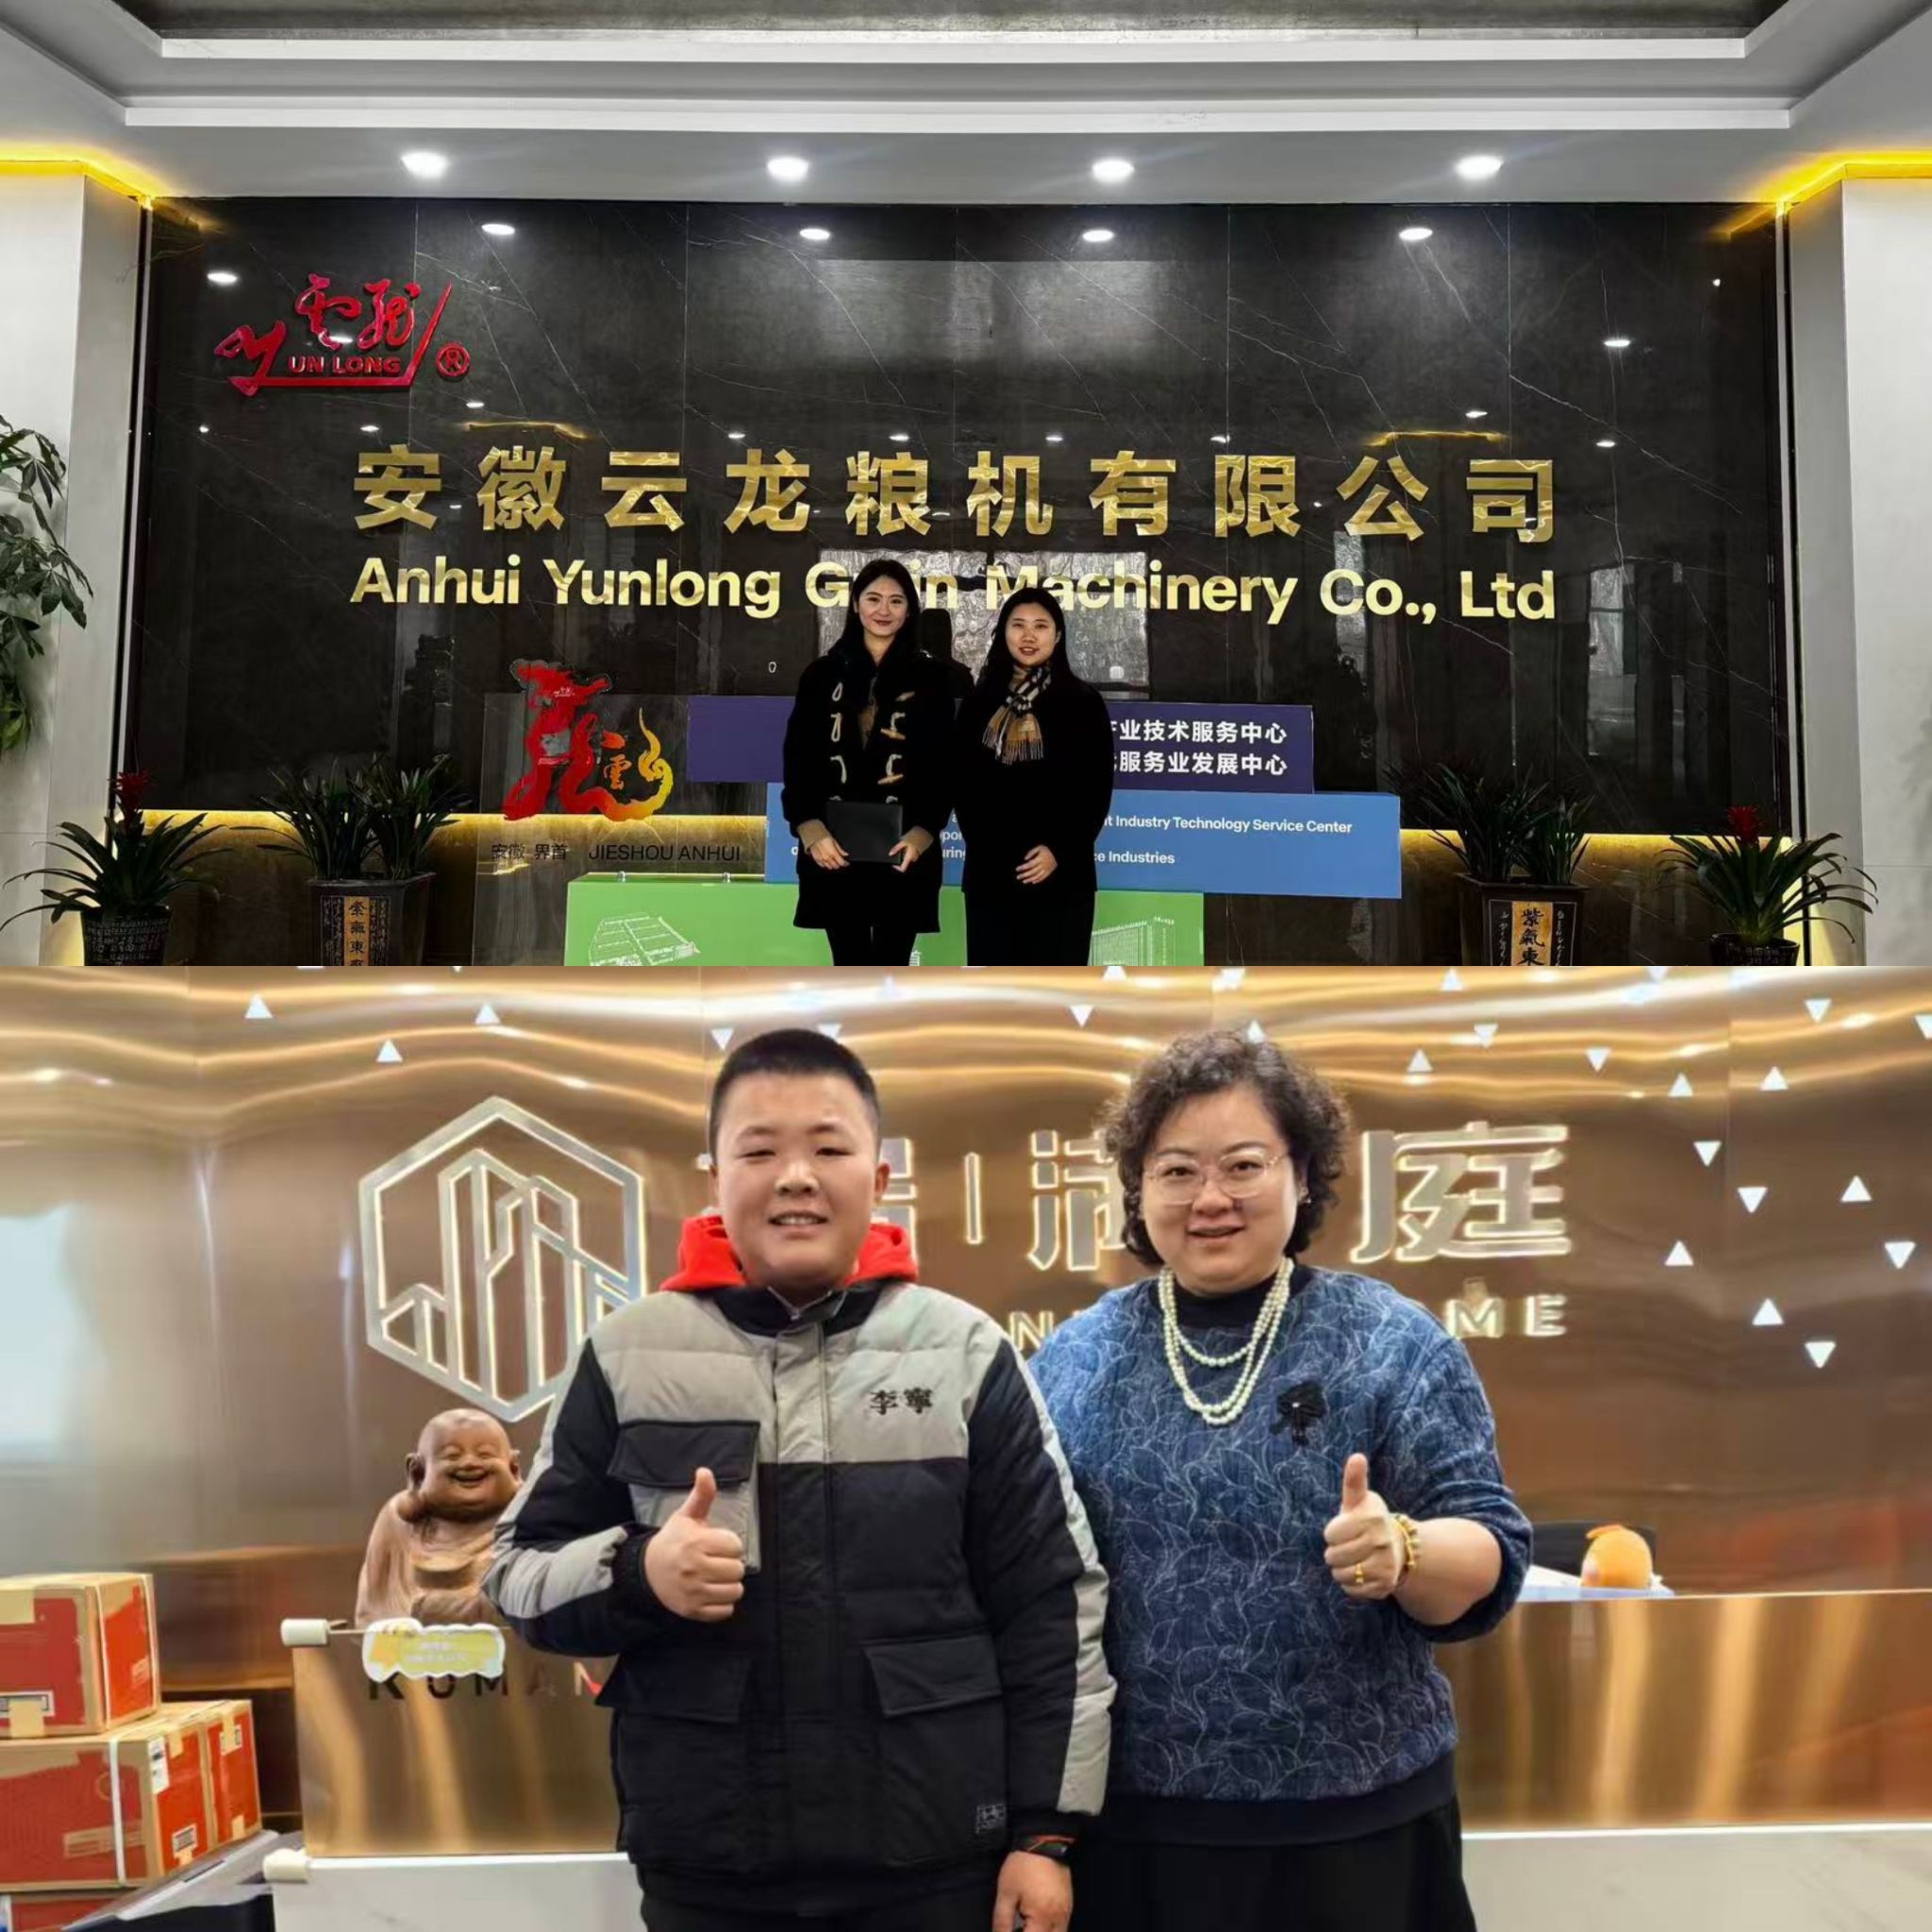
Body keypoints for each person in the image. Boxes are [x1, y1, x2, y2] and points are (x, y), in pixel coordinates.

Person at [486, 1028, 1113, 1932]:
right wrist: (639, 1573)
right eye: (759, 1152)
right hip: (710, 1867)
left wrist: (1045, 1834)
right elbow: (515, 1573)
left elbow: (1053, 1603)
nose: (795, 1178)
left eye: (827, 1148)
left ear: (879, 1178)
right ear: (713, 1180)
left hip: (935, 1863)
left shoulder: (964, 1353)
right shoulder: (626, 1355)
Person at [1030, 1029, 1530, 1932]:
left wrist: (1404, 1550)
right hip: (1136, 1832)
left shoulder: (1390, 1342)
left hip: (1357, 1829)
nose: (1209, 1198)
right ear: (1138, 1191)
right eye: (1176, 1171)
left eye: (1243, 1165)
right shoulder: (1074, 1359)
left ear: (1302, 1176)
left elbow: (1490, 1550)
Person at [782, 560, 953, 966]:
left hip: (903, 850)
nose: (884, 610)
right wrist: (810, 830)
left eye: (896, 601)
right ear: (856, 604)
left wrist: (923, 833)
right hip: (834, 848)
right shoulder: (821, 675)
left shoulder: (931, 678)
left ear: (909, 611)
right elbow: (799, 759)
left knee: (893, 968)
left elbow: (944, 766)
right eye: (874, 599)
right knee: (849, 968)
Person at [952, 589, 1114, 967]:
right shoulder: (979, 703)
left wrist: (1059, 850)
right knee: (998, 991)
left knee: (1056, 992)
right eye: (1018, 626)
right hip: (991, 873)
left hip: (1063, 873)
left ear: (1057, 636)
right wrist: (993, 851)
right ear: (1003, 633)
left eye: (1040, 626)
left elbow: (1094, 791)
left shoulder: (1083, 703)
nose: (1029, 636)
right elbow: (963, 786)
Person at [355, 1407, 522, 1624]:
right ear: (417, 1472)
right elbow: (375, 1612)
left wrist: (434, 1609)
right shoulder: (400, 1521)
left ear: (513, 1468)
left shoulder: (529, 1515)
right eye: (452, 1456)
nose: (469, 1463)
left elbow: (532, 1605)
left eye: (485, 1454)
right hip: (411, 1644)